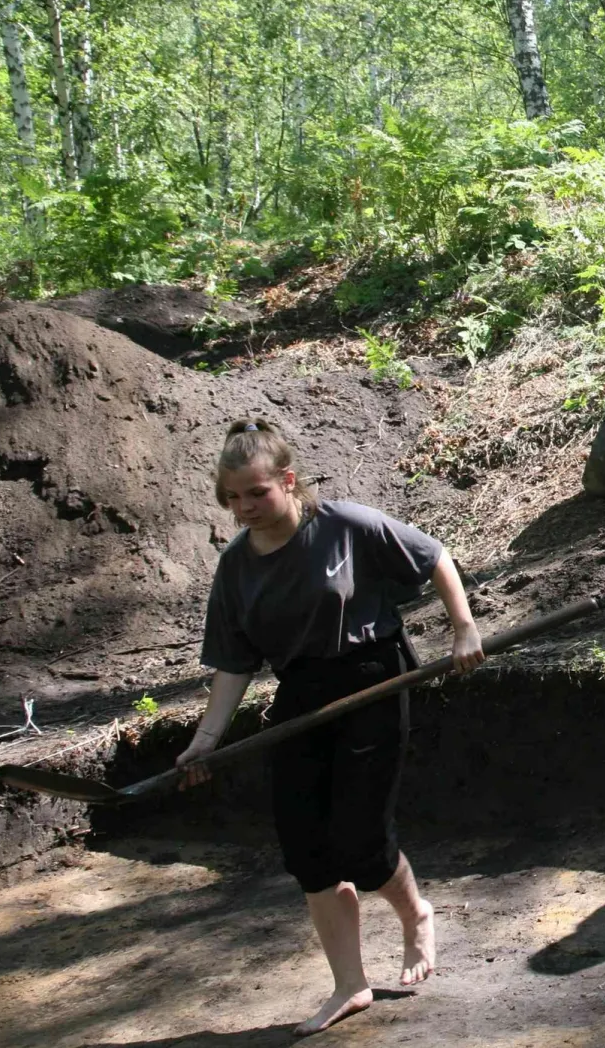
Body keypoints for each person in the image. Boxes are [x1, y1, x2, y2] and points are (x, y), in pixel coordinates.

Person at [176, 419, 486, 1037]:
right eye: (232, 497)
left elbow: (434, 557)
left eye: (256, 493)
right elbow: (235, 664)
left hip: (373, 675)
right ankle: (350, 984)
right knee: (306, 847)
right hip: (302, 693)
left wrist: (463, 628)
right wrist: (206, 740)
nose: (244, 509)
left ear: (288, 482)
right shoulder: (236, 566)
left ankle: (416, 913)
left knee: (360, 840)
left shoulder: (346, 525)